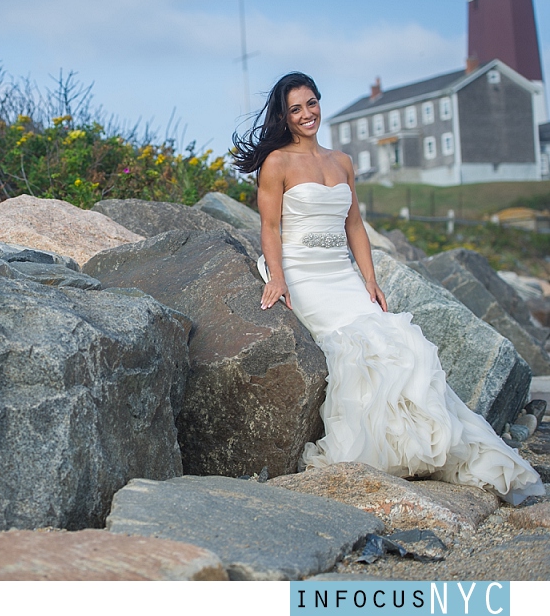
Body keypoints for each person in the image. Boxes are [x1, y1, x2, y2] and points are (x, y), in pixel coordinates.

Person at [232, 72, 544, 504]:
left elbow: (354, 224)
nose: (307, 114)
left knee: (400, 341)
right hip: (303, 273)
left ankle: (427, 446)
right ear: (284, 117)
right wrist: (279, 277)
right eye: (296, 109)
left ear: (321, 103)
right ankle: (377, 454)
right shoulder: (277, 163)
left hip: (341, 273)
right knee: (357, 350)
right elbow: (268, 226)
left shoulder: (341, 161)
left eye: (312, 103)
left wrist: (371, 280)